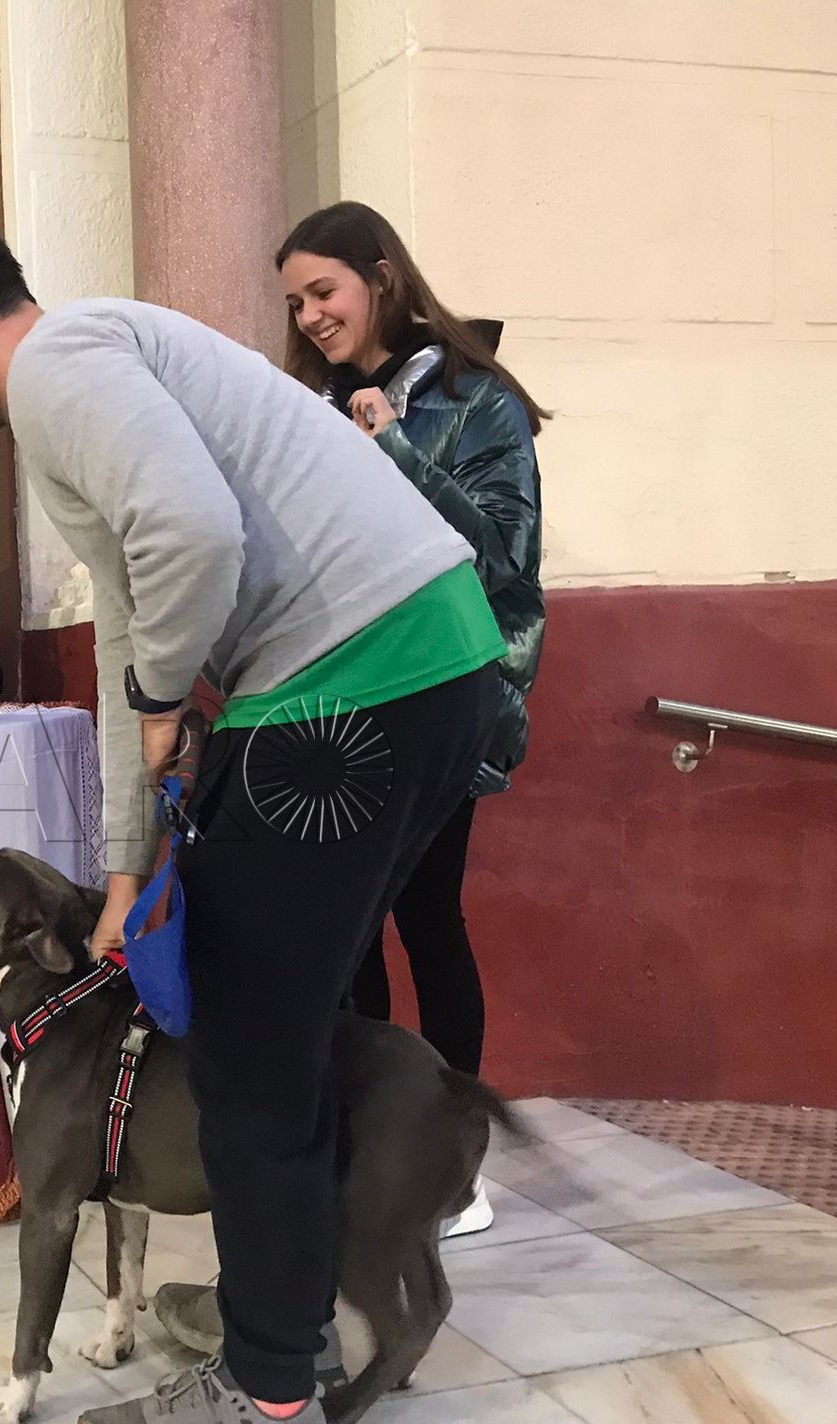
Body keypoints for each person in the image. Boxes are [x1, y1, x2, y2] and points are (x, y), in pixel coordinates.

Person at [0, 206, 503, 1424]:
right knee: (288, 1019)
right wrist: (122, 869)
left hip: (347, 684)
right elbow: (122, 655)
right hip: (417, 666)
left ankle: (268, 1398)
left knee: (251, 1043)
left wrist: (162, 697)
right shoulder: (81, 389)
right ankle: (292, 1309)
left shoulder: (60, 364)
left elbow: (191, 545)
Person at [277, 201, 547, 1239]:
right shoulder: (308, 402)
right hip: (336, 700)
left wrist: (392, 447)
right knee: (345, 934)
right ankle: (368, 1141)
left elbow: (502, 560)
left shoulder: (474, 402)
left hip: (444, 696)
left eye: (322, 291)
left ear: (380, 276)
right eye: (294, 301)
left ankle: (450, 1164)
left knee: (427, 921)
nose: (306, 315)